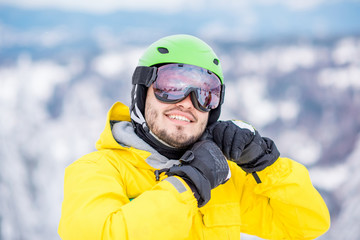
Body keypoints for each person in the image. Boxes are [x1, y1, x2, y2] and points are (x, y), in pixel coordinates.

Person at [58, 34, 330, 239]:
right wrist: (187, 185)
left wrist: (267, 163)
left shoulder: (223, 179)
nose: (188, 103)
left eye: (205, 93)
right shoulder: (96, 171)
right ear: (142, 94)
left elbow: (308, 223)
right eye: (171, 87)